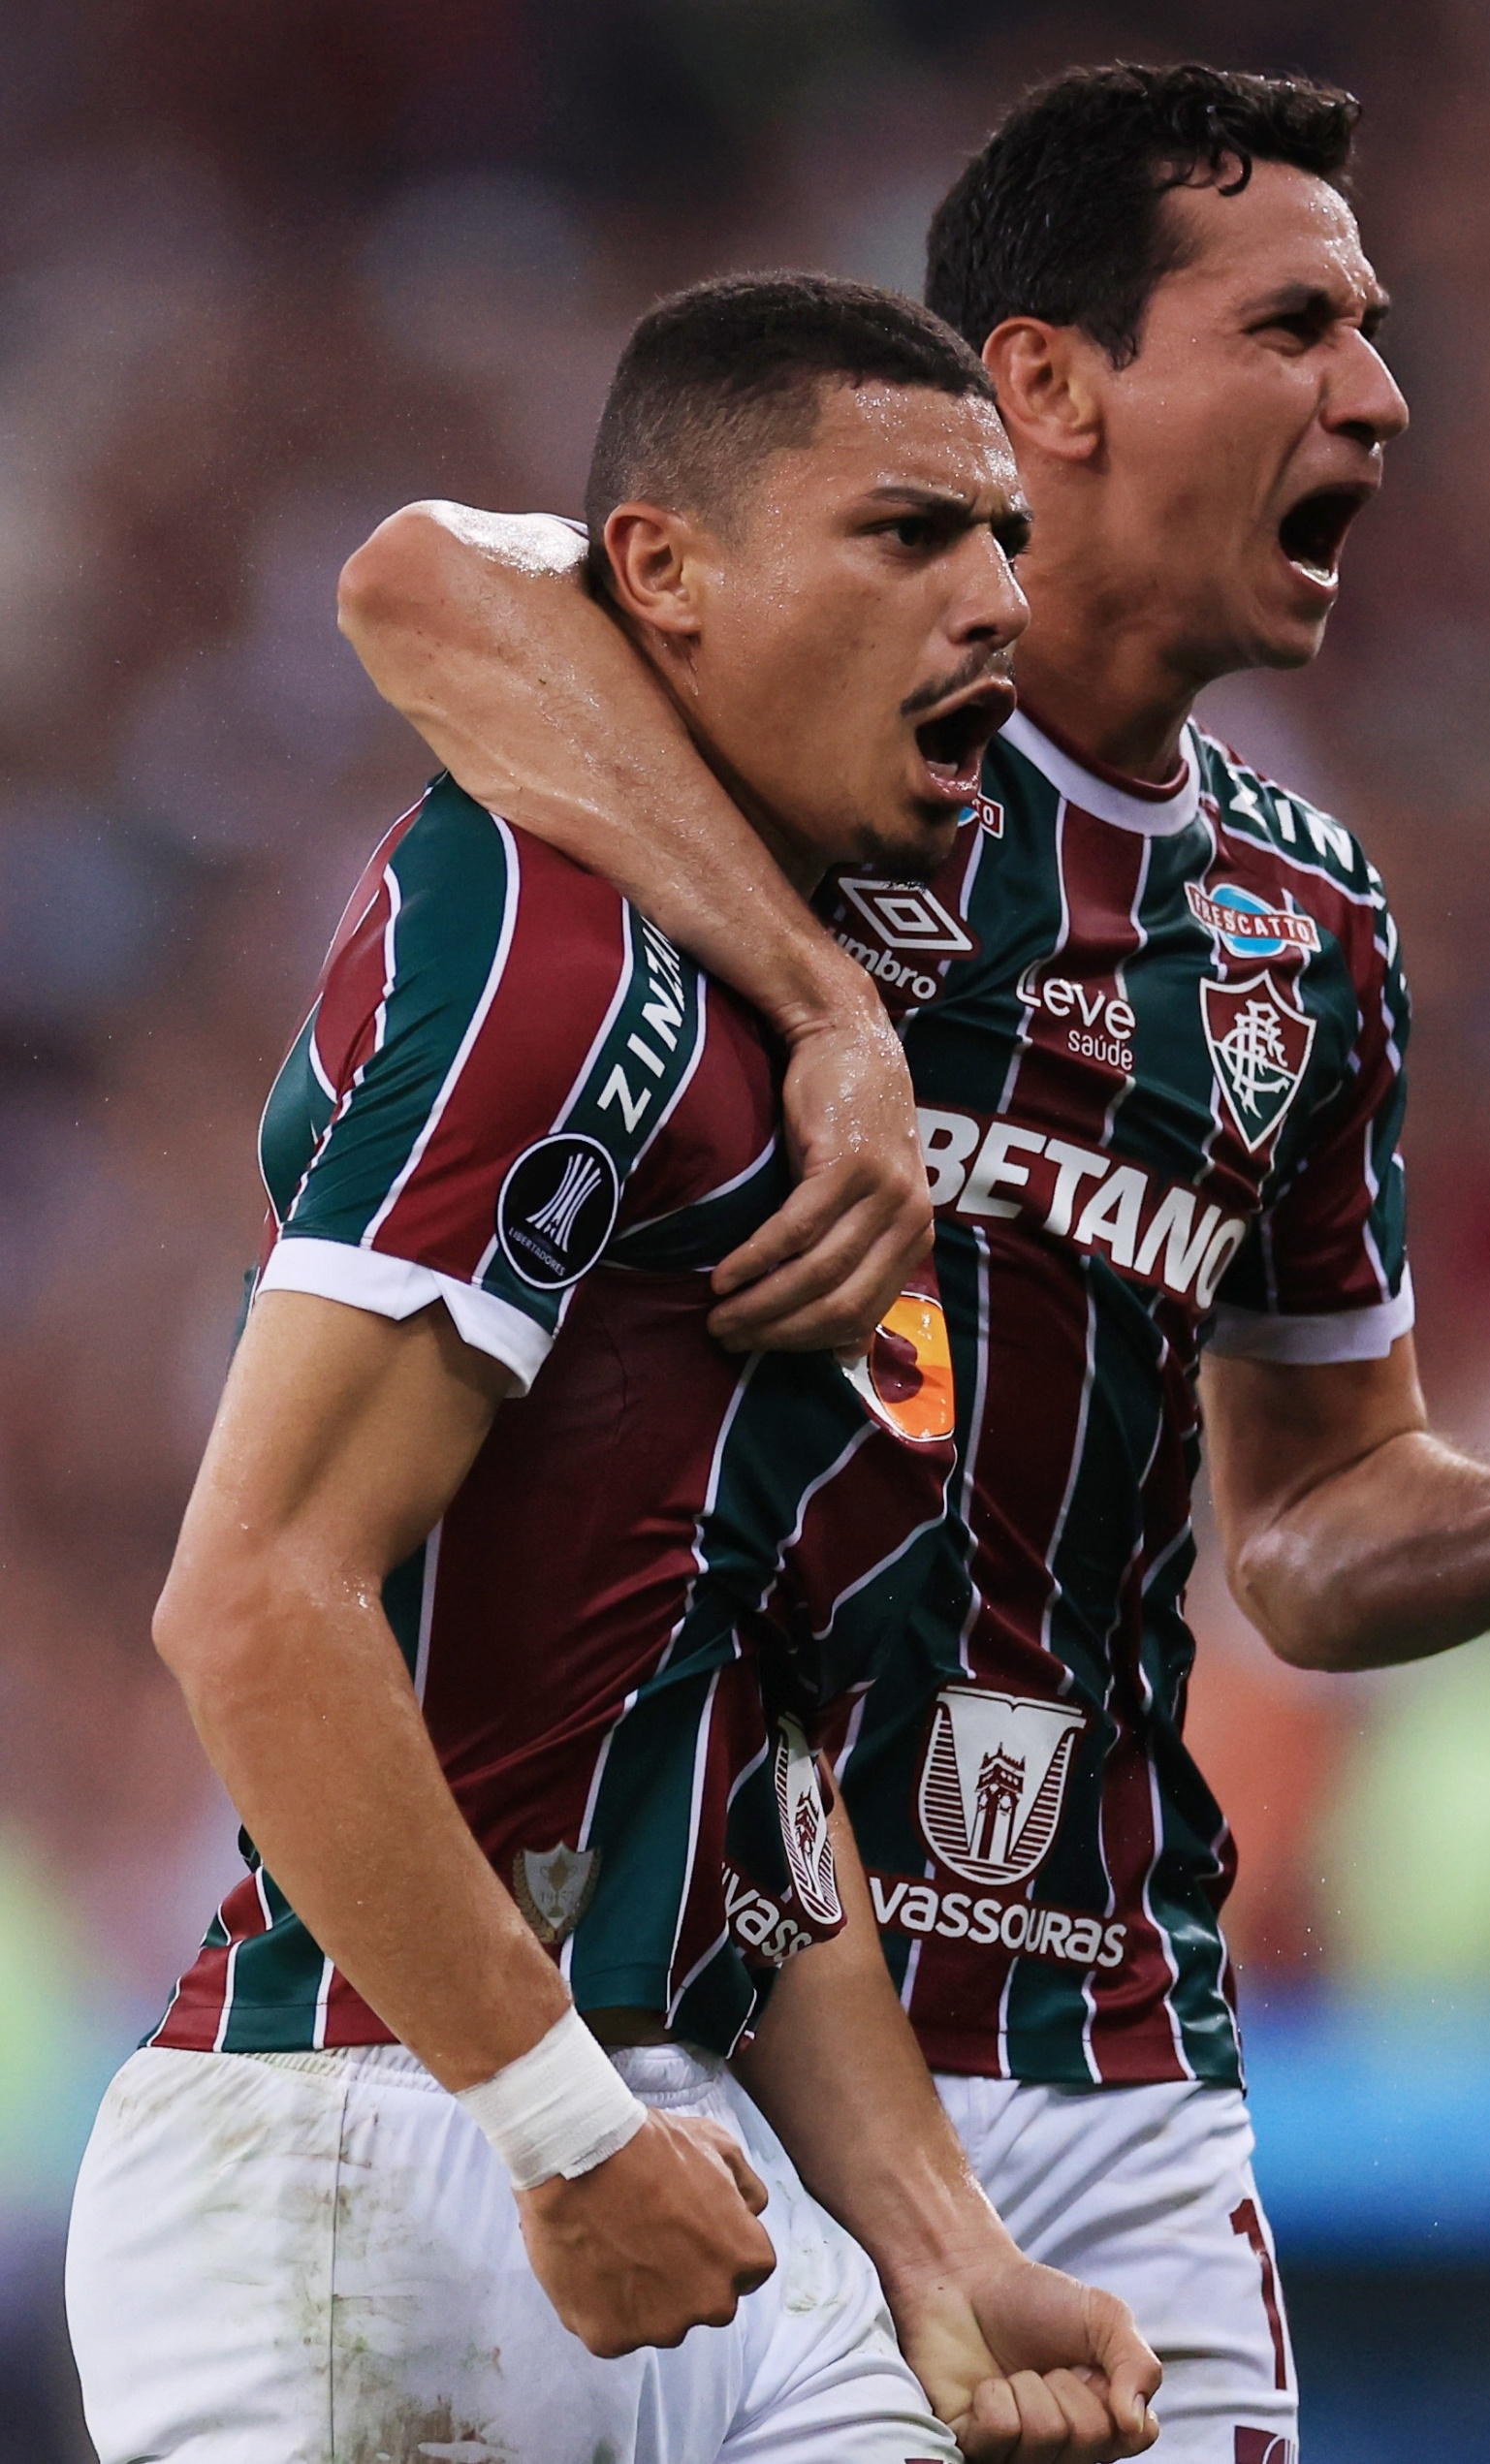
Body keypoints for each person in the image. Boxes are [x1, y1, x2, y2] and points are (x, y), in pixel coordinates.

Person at [335, 64, 1490, 2462]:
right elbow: (411, 580)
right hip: (695, 2005)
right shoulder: (765, 727)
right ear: (1042, 384)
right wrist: (819, 1005)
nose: (1379, 398)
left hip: (1100, 2039)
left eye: (1376, 331)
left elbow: (1305, 1527)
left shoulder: (1302, 920)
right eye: (1296, 325)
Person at [64, 274, 1165, 2464]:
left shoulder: (809, 1047)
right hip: (368, 2139)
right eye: (903, 536)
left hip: (703, 2164)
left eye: (1004, 545)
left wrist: (935, 2241)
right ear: (655, 574)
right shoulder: (550, 947)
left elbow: (734, 1748)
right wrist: (559, 2125)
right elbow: (256, 1598)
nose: (991, 604)